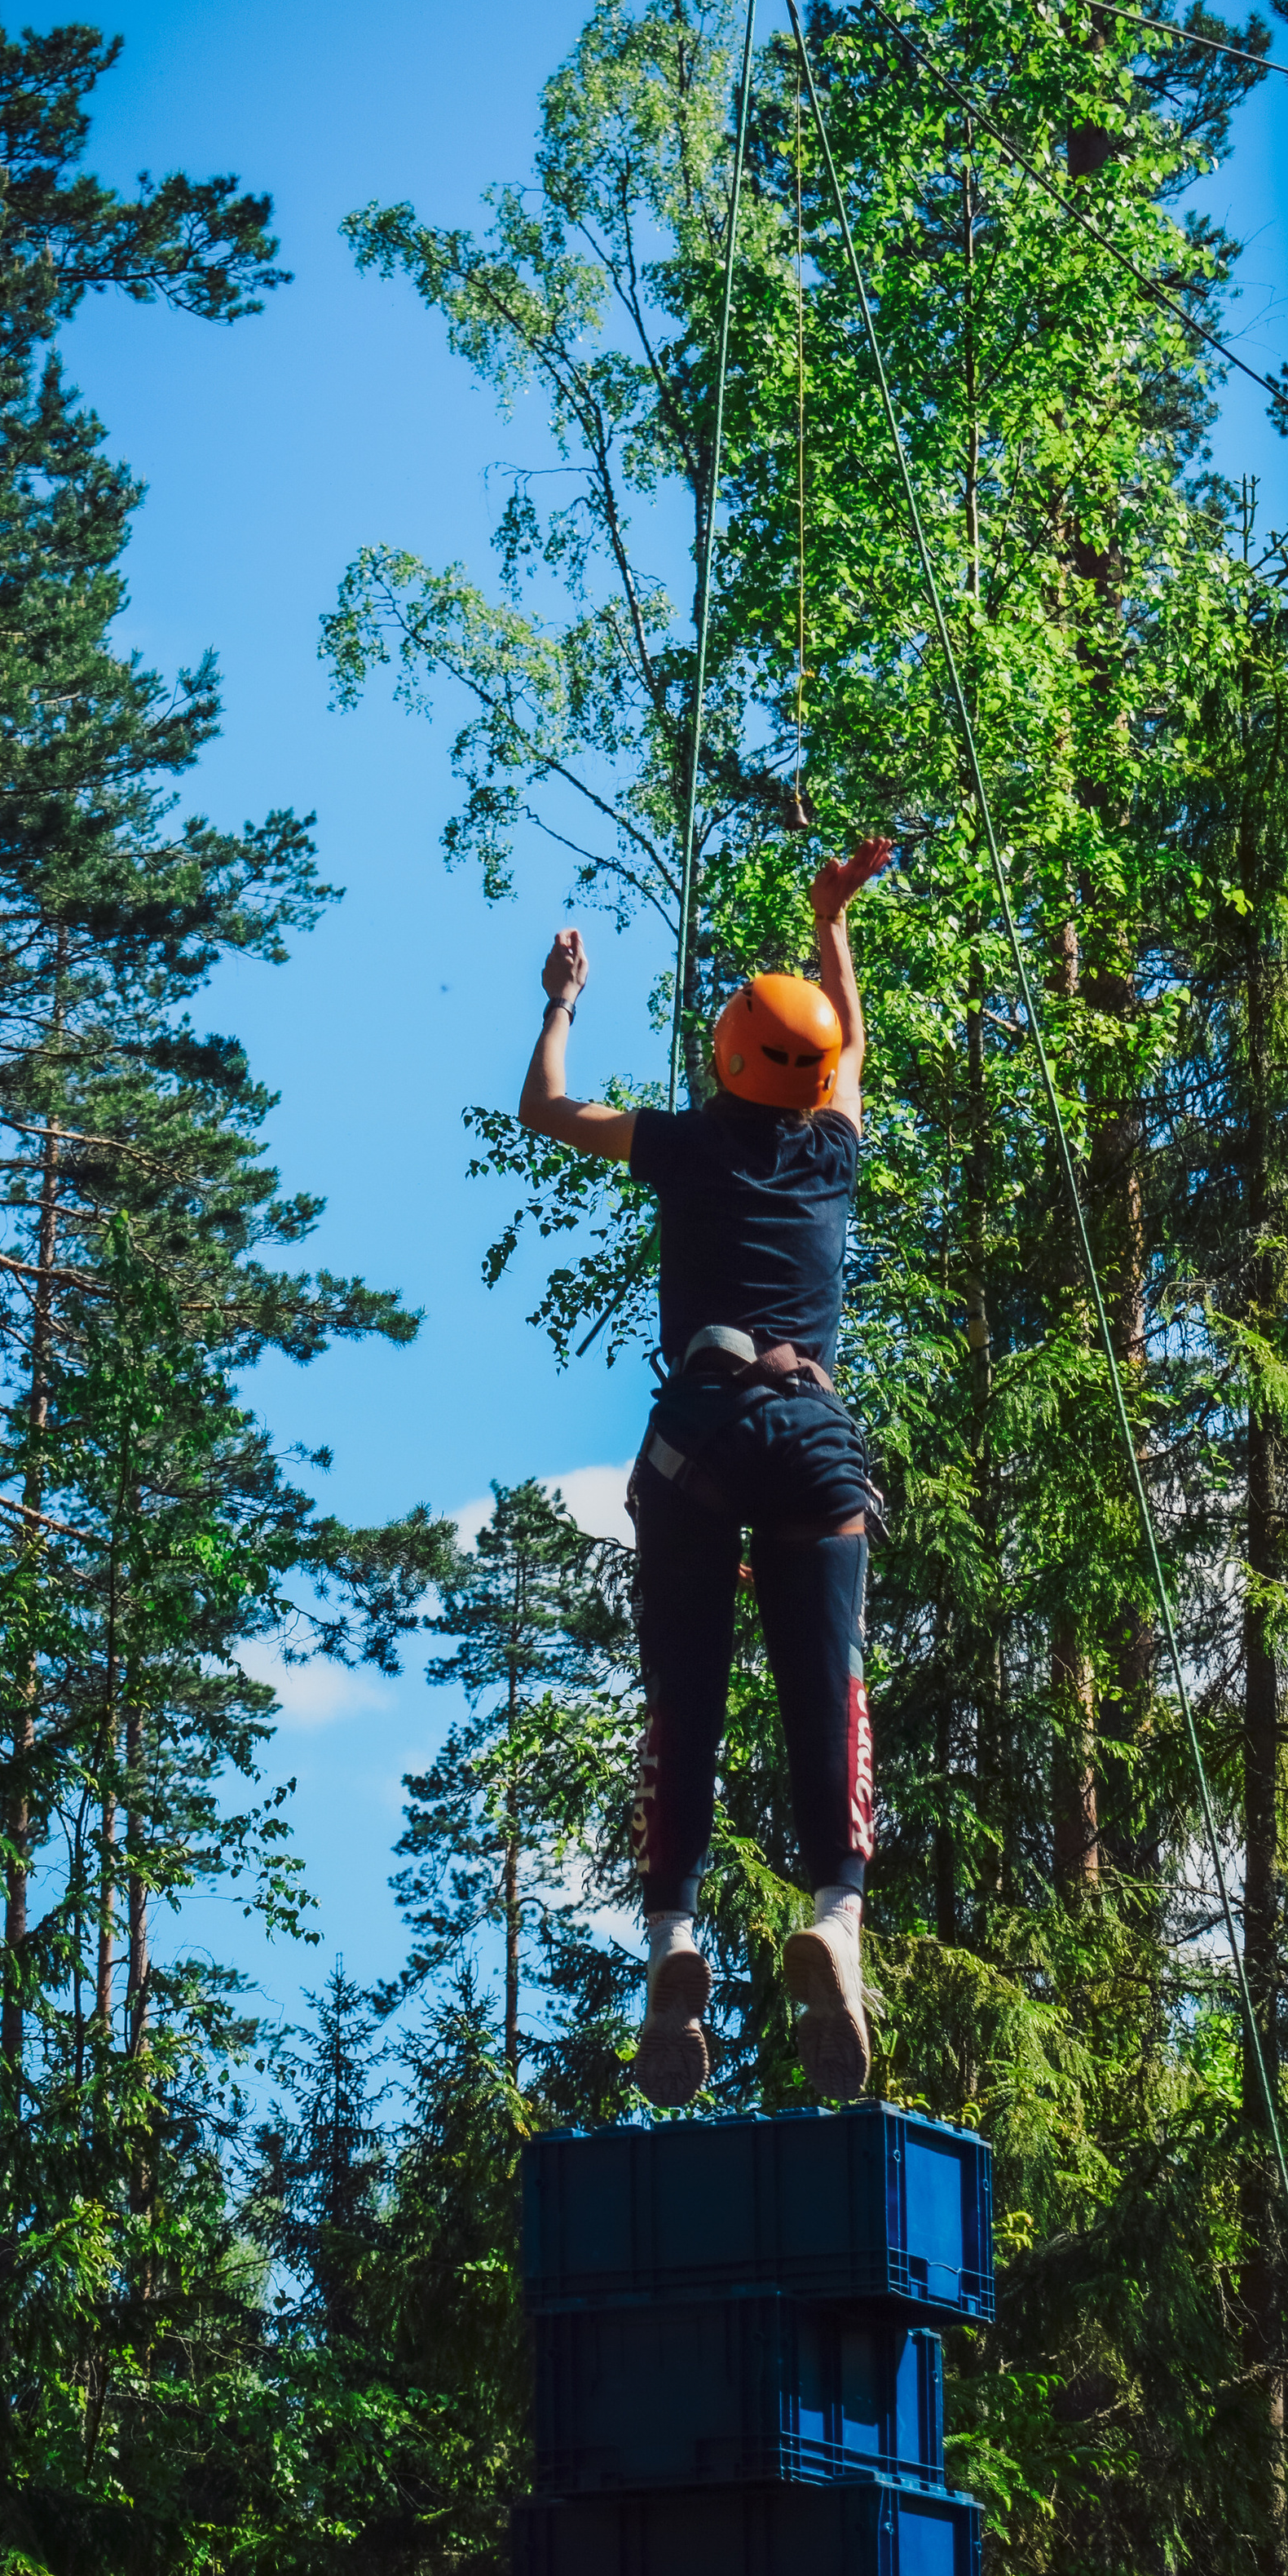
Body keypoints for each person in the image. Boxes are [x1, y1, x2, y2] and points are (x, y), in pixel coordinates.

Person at [518, 840, 893, 2109]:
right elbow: (844, 1051)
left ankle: (672, 1944)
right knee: (825, 1692)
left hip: (697, 1434)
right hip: (817, 1439)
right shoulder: (832, 1153)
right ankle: (834, 1919)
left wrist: (563, 1000)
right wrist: (831, 918)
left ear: (728, 1059)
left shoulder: (679, 1145)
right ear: (817, 1073)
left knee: (685, 1694)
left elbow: (546, 1112)